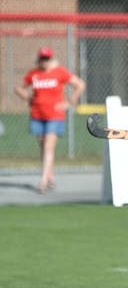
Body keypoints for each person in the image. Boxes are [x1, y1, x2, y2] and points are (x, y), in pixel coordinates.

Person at [14, 46, 85, 194]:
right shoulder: (34, 74)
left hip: (55, 116)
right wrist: (27, 97)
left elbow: (80, 85)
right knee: (42, 147)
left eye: (47, 59)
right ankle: (50, 176)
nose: (45, 62)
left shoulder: (60, 72)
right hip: (37, 115)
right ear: (38, 59)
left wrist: (69, 101)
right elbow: (19, 88)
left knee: (48, 147)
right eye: (42, 59)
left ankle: (43, 181)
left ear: (51, 59)